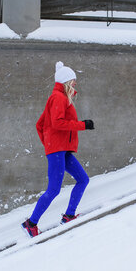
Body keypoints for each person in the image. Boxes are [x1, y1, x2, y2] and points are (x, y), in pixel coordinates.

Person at [21, 61, 95, 238]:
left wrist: (50, 143)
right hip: (57, 150)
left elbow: (40, 124)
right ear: (66, 82)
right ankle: (31, 223)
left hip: (62, 149)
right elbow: (57, 123)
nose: (75, 84)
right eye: (73, 81)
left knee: (83, 179)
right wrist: (82, 125)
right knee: (54, 189)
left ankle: (69, 215)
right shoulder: (58, 98)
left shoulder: (60, 97)